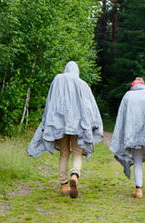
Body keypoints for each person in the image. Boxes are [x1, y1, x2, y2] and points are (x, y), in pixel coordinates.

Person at [27, 61, 103, 199]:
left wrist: (48, 121)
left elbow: (51, 101)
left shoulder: (57, 80)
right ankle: (75, 175)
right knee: (77, 153)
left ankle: (63, 185)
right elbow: (89, 106)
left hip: (59, 123)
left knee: (64, 154)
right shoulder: (82, 84)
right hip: (78, 125)